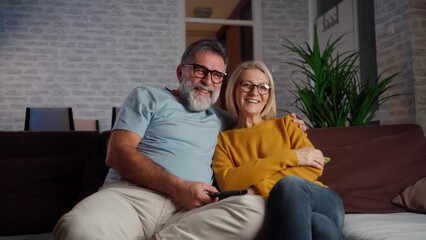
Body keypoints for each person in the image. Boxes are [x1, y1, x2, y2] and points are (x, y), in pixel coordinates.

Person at [212, 61, 345, 240]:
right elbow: (229, 183)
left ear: (269, 94)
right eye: (246, 85)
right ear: (234, 89)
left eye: (263, 87)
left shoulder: (287, 124)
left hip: (321, 200)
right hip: (283, 215)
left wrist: (257, 188)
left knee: (289, 185)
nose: (254, 92)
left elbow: (314, 166)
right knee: (319, 225)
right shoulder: (224, 141)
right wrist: (291, 156)